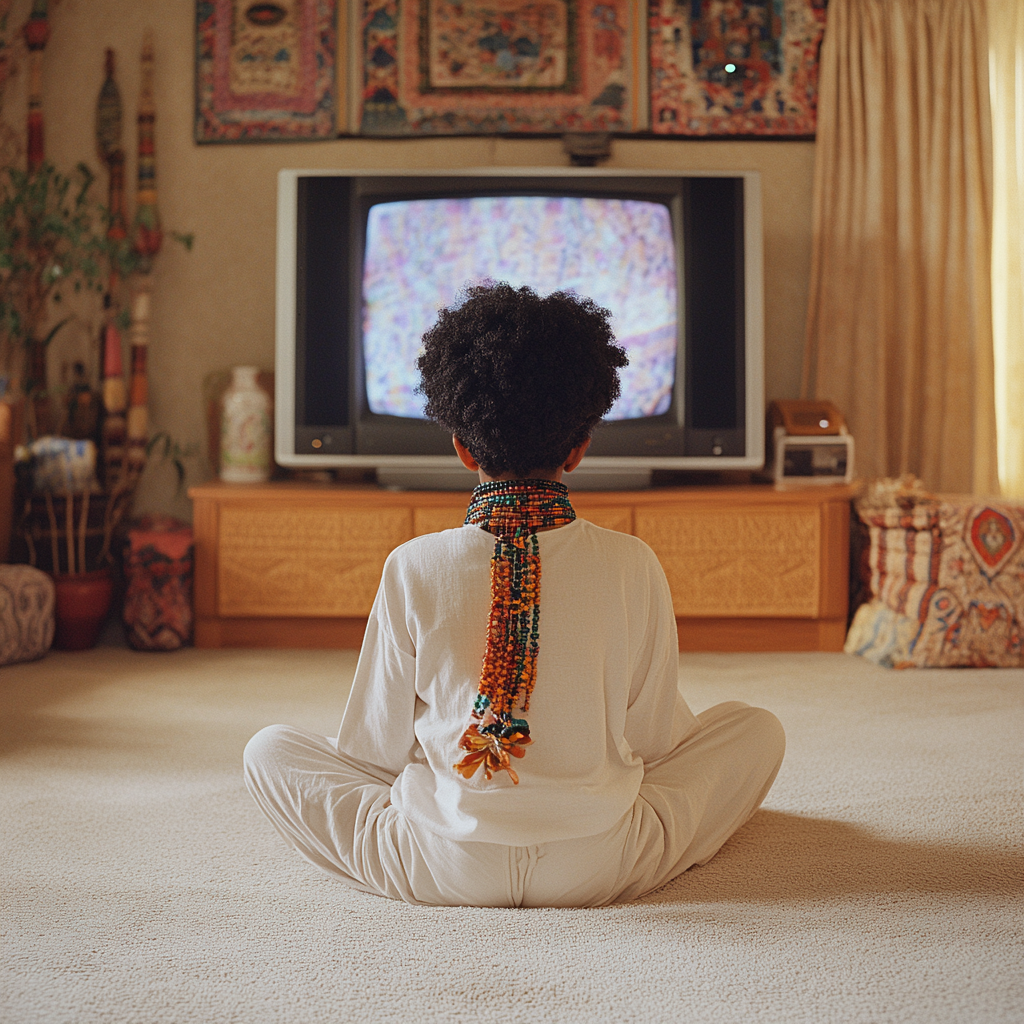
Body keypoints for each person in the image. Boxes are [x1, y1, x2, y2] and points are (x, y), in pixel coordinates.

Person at [243, 283, 785, 907]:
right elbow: (657, 741)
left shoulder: (412, 564)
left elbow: (373, 750)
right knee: (756, 730)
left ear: (462, 447)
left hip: (440, 862)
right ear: (579, 449)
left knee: (268, 750)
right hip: (601, 862)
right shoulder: (633, 563)